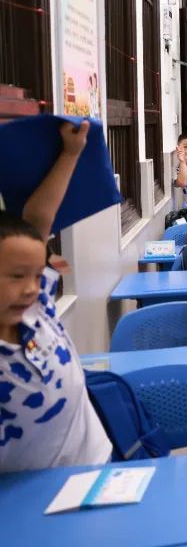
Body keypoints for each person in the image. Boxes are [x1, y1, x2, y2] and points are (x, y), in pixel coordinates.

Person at [0, 120, 113, 474]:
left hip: (97, 466)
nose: (31, 288)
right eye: (16, 276)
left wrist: (71, 154)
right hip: (32, 499)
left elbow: (38, 220)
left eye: (37, 274)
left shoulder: (37, 310)